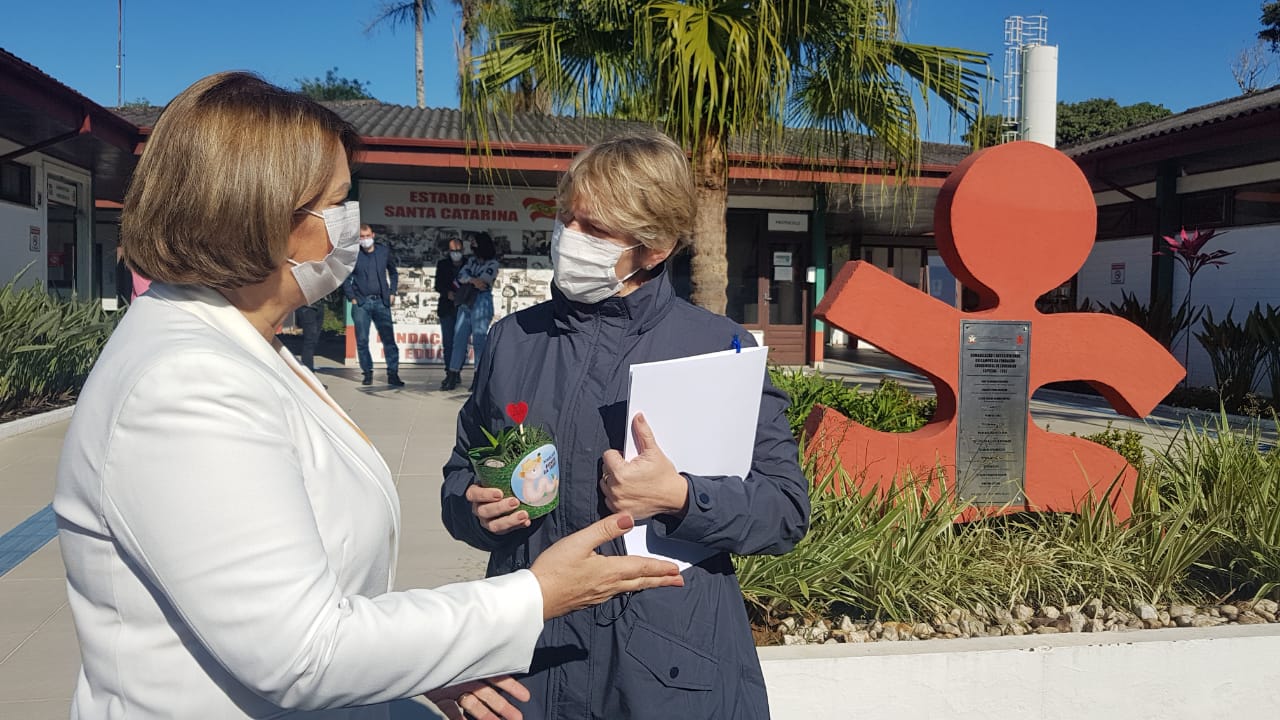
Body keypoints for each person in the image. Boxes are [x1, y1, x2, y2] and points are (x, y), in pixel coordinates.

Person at [53, 72, 684, 720]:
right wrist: (534, 596)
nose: (351, 223)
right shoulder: (184, 384)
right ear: (263, 219)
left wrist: (417, 660)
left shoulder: (243, 344)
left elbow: (299, 600)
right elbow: (303, 653)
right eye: (334, 202)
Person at [441, 131, 811, 719]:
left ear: (655, 246)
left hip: (664, 675)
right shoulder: (512, 340)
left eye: (594, 228)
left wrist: (683, 497)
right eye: (566, 217)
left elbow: (786, 511)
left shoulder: (719, 348)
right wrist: (473, 505)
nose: (568, 237)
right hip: (528, 666)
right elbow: (461, 472)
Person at [344, 224, 403, 387]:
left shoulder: (383, 252)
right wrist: (352, 298)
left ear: (373, 235)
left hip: (381, 302)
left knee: (388, 339)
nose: (365, 240)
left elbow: (393, 272)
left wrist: (392, 292)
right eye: (361, 237)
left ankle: (393, 373)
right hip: (361, 303)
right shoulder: (354, 255)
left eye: (367, 236)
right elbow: (345, 277)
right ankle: (367, 372)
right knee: (362, 340)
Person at [440, 232, 498, 391]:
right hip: (466, 302)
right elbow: (461, 276)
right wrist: (473, 280)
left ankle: (478, 377)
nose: (472, 246)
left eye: (475, 243)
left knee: (479, 341)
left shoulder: (493, 263)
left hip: (482, 302)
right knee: (458, 339)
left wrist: (471, 279)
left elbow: (485, 280)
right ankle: (452, 374)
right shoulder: (471, 261)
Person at [434, 237, 465, 375]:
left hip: (464, 308)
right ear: (449, 251)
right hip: (447, 308)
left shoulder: (469, 264)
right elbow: (438, 285)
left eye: (458, 250)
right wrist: (447, 293)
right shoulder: (442, 264)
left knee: (461, 342)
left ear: (463, 250)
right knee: (448, 342)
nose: (456, 253)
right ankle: (449, 373)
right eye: (453, 250)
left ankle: (457, 370)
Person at [294, 298, 323, 372]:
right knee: (310, 340)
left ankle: (308, 367)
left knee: (314, 340)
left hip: (319, 306)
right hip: (306, 307)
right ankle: (307, 369)